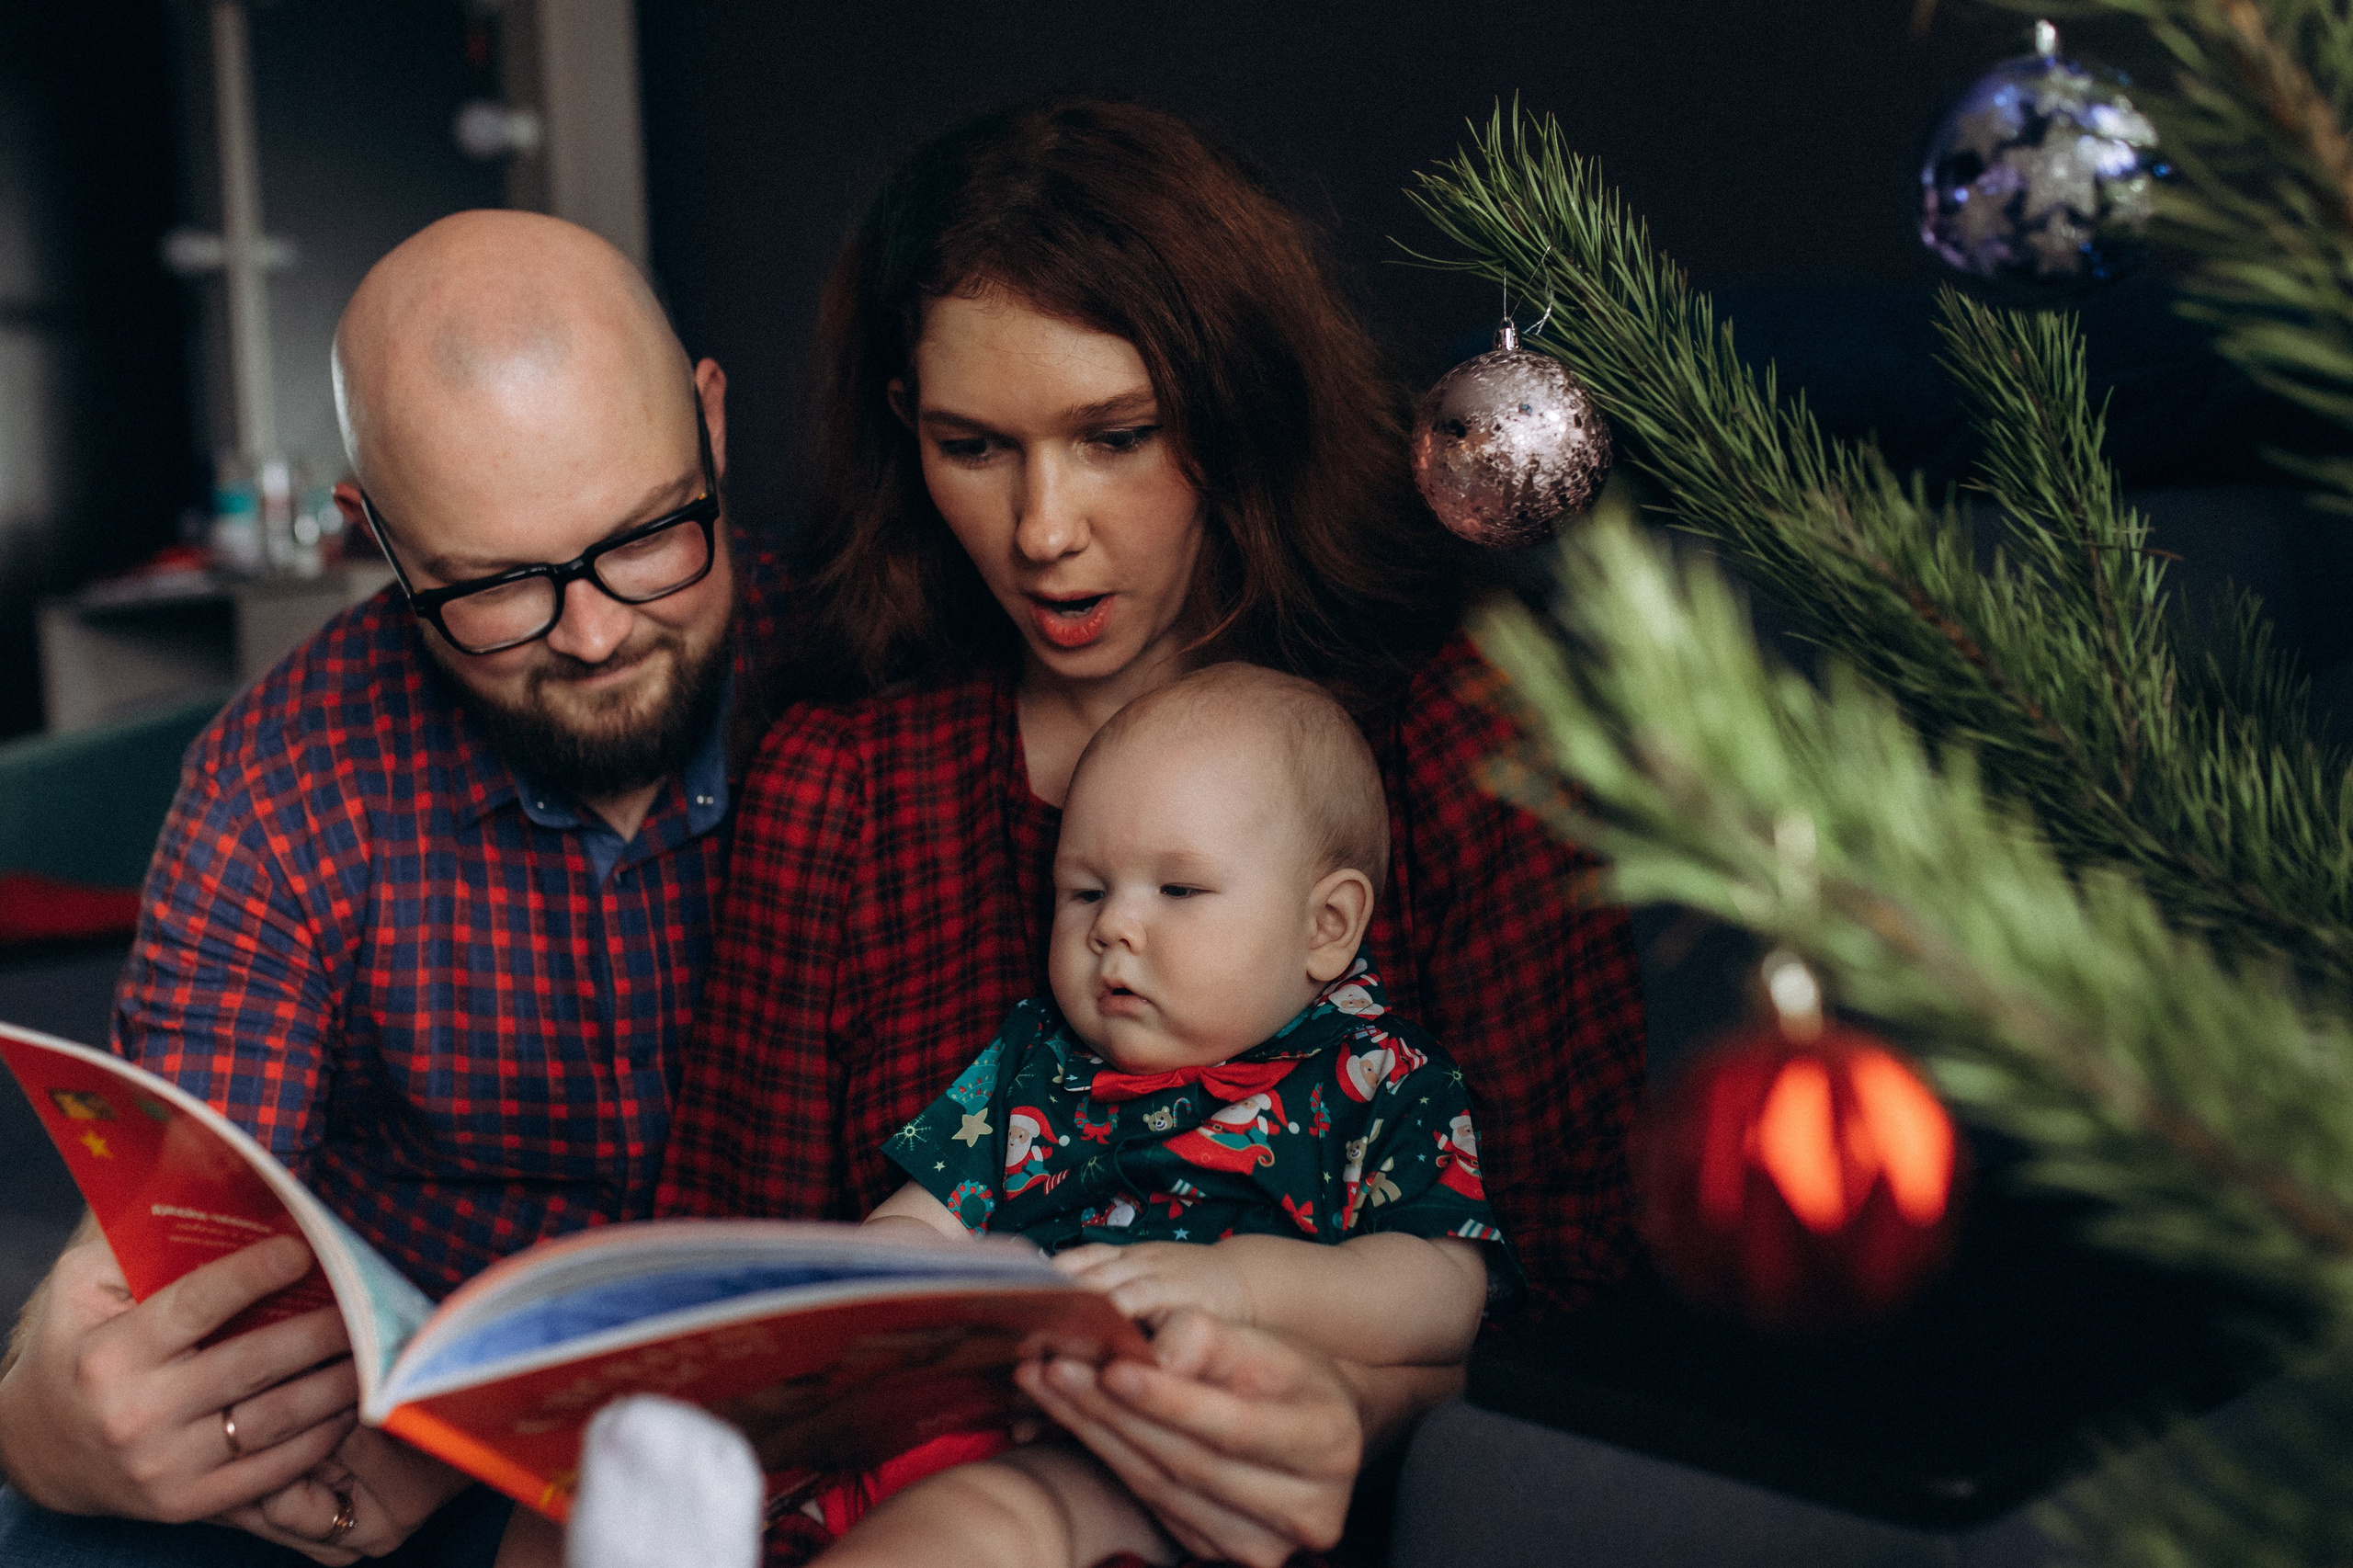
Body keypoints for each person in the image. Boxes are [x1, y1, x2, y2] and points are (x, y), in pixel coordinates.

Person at [658, 97, 1648, 1565]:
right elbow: (739, 1290)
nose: (1044, 526)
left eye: (1115, 435)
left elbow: (1574, 1286)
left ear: (1232, 409)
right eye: (973, 445)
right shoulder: (846, 785)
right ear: (902, 431)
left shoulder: (1448, 734)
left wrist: (1349, 1403)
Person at [0, 209, 773, 1566]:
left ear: (711, 428)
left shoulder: (883, 674)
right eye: (493, 586)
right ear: (378, 538)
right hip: (405, 1452)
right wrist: (41, 1422)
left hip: (798, 1426)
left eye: (650, 535)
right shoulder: (271, 791)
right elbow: (168, 1241)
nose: (596, 636)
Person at [819, 664, 1506, 1568]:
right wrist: (847, 1290)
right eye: (1086, 890)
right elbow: (922, 1215)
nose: (1115, 928)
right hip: (949, 1407)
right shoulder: (1037, 1056)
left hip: (1144, 1458)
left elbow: (1443, 1294)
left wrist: (1241, 1287)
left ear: (1326, 925)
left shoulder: (1381, 1073)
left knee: (986, 1520)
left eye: (1177, 890)